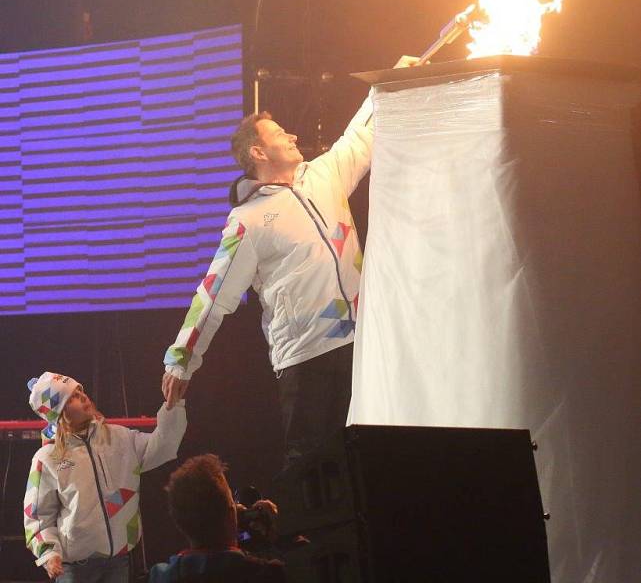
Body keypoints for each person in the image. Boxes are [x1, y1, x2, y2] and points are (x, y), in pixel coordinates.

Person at [162, 58, 416, 464]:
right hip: (305, 359)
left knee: (372, 459)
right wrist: (181, 360)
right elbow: (213, 297)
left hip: (362, 344)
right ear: (258, 151)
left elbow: (360, 136)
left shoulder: (324, 176)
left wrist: (388, 83)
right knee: (313, 473)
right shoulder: (246, 221)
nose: (293, 135)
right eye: (280, 133)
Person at [24, 371, 187, 582]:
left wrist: (173, 406)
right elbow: (37, 516)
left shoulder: (119, 437)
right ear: (60, 413)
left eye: (80, 390)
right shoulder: (47, 458)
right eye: (72, 396)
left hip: (119, 561)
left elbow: (164, 446)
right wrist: (48, 553)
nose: (82, 396)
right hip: (74, 569)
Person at [148, 454, 285, 582]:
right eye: (233, 501)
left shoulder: (158, 576)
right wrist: (271, 538)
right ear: (231, 514)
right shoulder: (266, 574)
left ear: (179, 523)